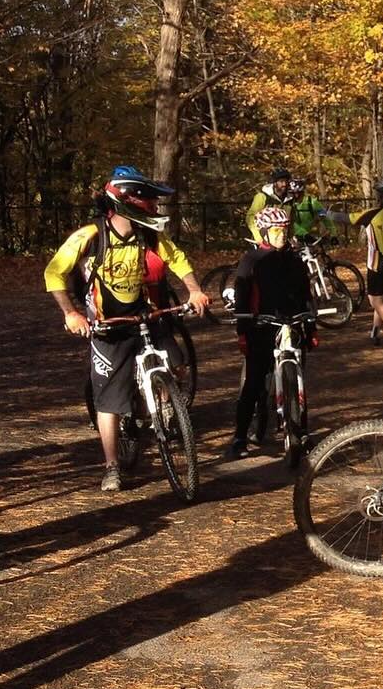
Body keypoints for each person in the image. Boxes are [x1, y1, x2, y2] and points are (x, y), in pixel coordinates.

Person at [44, 168, 209, 492]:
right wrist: (71, 314)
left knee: (176, 363)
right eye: (145, 198)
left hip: (144, 312)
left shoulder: (149, 235)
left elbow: (177, 259)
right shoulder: (90, 236)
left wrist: (194, 289)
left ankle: (164, 404)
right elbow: (54, 273)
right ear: (124, 201)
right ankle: (111, 466)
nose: (150, 205)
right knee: (109, 399)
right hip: (107, 324)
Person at [228, 204, 313, 460]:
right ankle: (240, 436)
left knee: (298, 380)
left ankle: (302, 430)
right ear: (264, 232)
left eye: (285, 230)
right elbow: (242, 299)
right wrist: (243, 330)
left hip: (293, 324)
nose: (282, 236)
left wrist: (311, 325)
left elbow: (305, 296)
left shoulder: (295, 260)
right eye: (276, 230)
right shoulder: (252, 260)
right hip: (260, 326)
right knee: (254, 382)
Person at [329, 182, 383, 344]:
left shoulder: (372, 214)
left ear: (378, 198)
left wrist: (326, 213)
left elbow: (346, 218)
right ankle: (375, 332)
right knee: (381, 300)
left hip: (376, 265)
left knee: (375, 301)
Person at [247, 167, 295, 243]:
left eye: (286, 181)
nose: (284, 184)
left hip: (282, 240)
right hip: (264, 240)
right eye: (281, 181)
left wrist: (292, 237)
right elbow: (251, 217)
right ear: (275, 182)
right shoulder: (262, 197)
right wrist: (259, 238)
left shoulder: (290, 200)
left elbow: (291, 222)